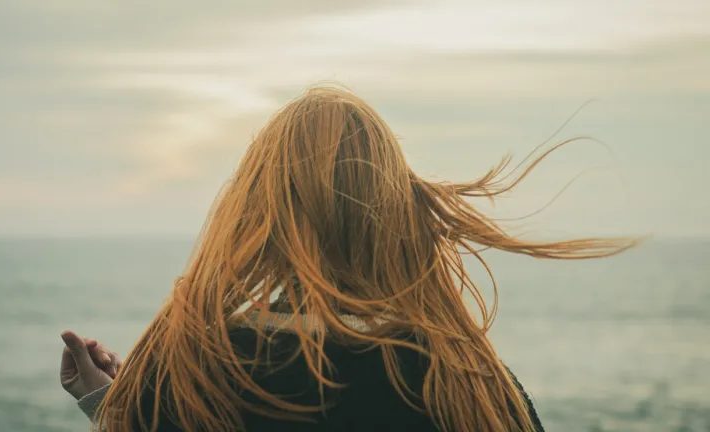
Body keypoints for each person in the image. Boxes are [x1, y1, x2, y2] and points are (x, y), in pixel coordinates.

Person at [59, 85, 635, 431]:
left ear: (263, 208)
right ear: (394, 205)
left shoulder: (188, 370)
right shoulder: (466, 382)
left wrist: (114, 405)